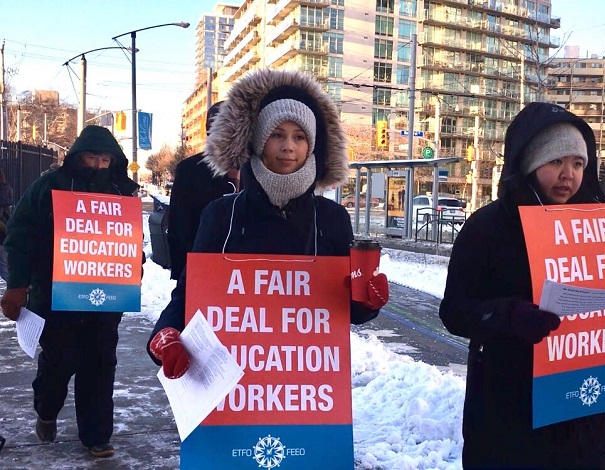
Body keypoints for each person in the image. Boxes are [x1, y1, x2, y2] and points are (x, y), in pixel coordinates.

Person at [438, 102, 605, 469]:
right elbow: (454, 312)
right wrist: (508, 315)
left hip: (580, 422)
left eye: (578, 164)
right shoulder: (488, 227)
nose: (568, 175)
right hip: (507, 415)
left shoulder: (599, 229)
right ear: (529, 163)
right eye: (556, 161)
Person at [147, 69, 388, 379]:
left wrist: (367, 300)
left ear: (310, 146)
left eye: (299, 137)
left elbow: (345, 310)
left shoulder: (332, 218)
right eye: (277, 134)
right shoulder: (221, 215)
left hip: (303, 389)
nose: (288, 146)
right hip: (231, 384)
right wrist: (166, 333)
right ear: (260, 141)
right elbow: (191, 290)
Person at [0, 125, 140, 458]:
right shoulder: (48, 187)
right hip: (54, 297)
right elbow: (18, 236)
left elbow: (127, 240)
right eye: (92, 157)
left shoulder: (121, 192)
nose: (98, 165)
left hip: (104, 299)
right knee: (58, 364)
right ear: (78, 156)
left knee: (100, 365)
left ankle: (96, 436)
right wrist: (17, 285)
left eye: (105, 159)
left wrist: (134, 261)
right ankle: (47, 411)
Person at [167, 101, 240, 280]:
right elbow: (179, 227)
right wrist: (185, 274)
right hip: (202, 271)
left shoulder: (258, 168)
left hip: (247, 275)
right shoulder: (190, 170)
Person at [0, 168, 14, 281]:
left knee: (4, 268)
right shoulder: (6, 189)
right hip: (4, 235)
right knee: (4, 266)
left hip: (2, 233)